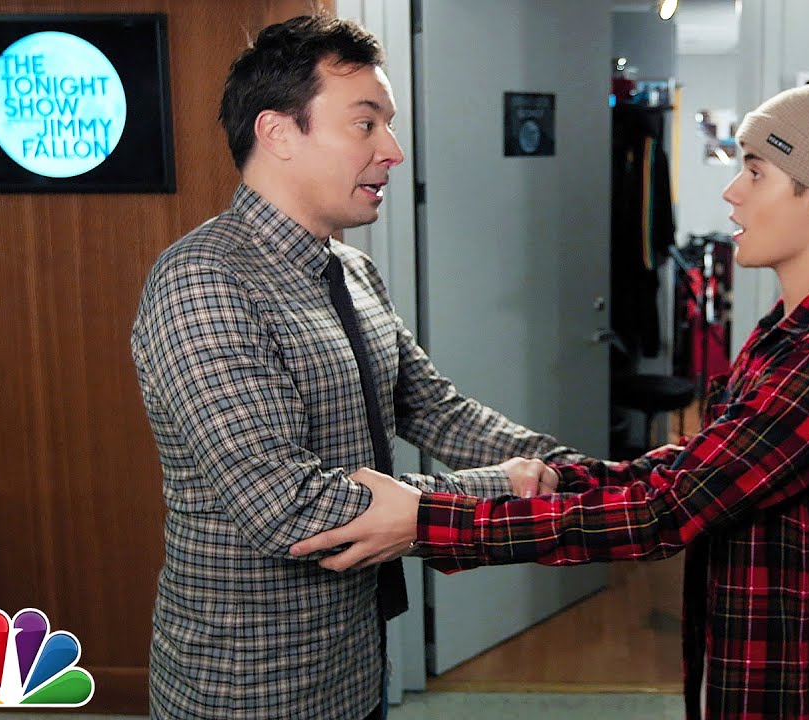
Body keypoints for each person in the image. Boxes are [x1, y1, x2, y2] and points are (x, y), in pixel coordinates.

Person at [293, 74, 809, 720]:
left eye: (756, 173)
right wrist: (564, 477)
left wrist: (426, 521)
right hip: (758, 669)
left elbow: (665, 512)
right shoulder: (790, 333)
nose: (732, 192)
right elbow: (695, 471)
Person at [131, 14, 575, 719]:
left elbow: (434, 410)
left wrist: (567, 468)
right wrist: (503, 486)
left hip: (354, 659)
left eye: (387, 126)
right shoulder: (205, 279)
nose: (392, 151)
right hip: (251, 684)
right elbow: (285, 506)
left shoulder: (353, 272)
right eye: (365, 124)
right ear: (278, 133)